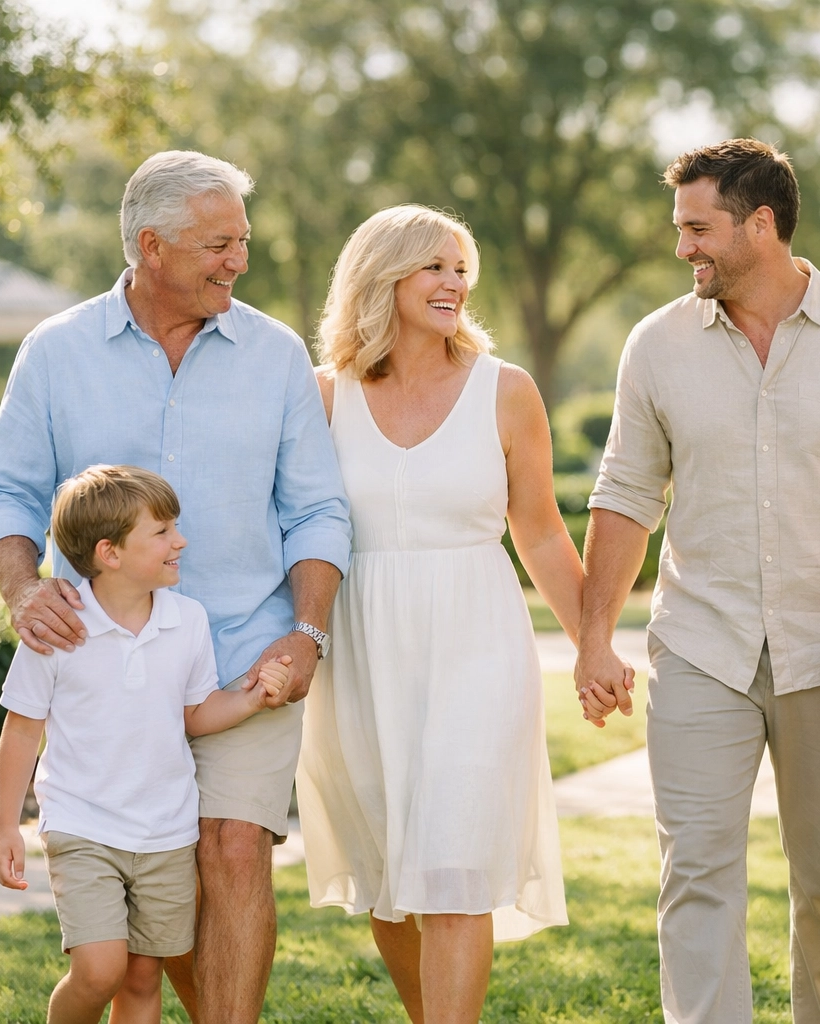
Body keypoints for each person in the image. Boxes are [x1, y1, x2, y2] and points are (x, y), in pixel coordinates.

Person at [576, 138, 820, 1024]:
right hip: (701, 646)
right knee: (696, 874)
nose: (684, 248)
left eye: (698, 229)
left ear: (761, 224)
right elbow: (626, 494)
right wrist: (595, 637)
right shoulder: (657, 344)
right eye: (680, 229)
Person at [0, 150, 352, 1024]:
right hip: (111, 670)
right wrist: (24, 588)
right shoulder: (56, 352)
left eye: (242, 241)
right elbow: (5, 495)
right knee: (158, 879)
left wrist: (307, 633)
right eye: (219, 245)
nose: (238, 261)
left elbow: (318, 509)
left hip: (247, 651)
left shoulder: (275, 354)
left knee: (232, 846)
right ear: (152, 245)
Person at [295, 205, 581, 1023]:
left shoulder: (506, 390)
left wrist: (593, 644)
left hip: (477, 644)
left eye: (461, 270)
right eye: (435, 267)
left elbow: (541, 531)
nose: (455, 283)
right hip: (361, 653)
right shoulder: (324, 396)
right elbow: (294, 526)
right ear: (382, 277)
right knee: (389, 879)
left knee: (453, 871)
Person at [0, 465, 292, 1024]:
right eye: (162, 532)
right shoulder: (56, 628)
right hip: (83, 825)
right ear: (109, 553)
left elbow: (195, 713)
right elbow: (23, 729)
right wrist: (7, 826)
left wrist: (251, 698)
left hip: (165, 833)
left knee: (141, 978)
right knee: (100, 970)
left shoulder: (187, 620)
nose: (180, 541)